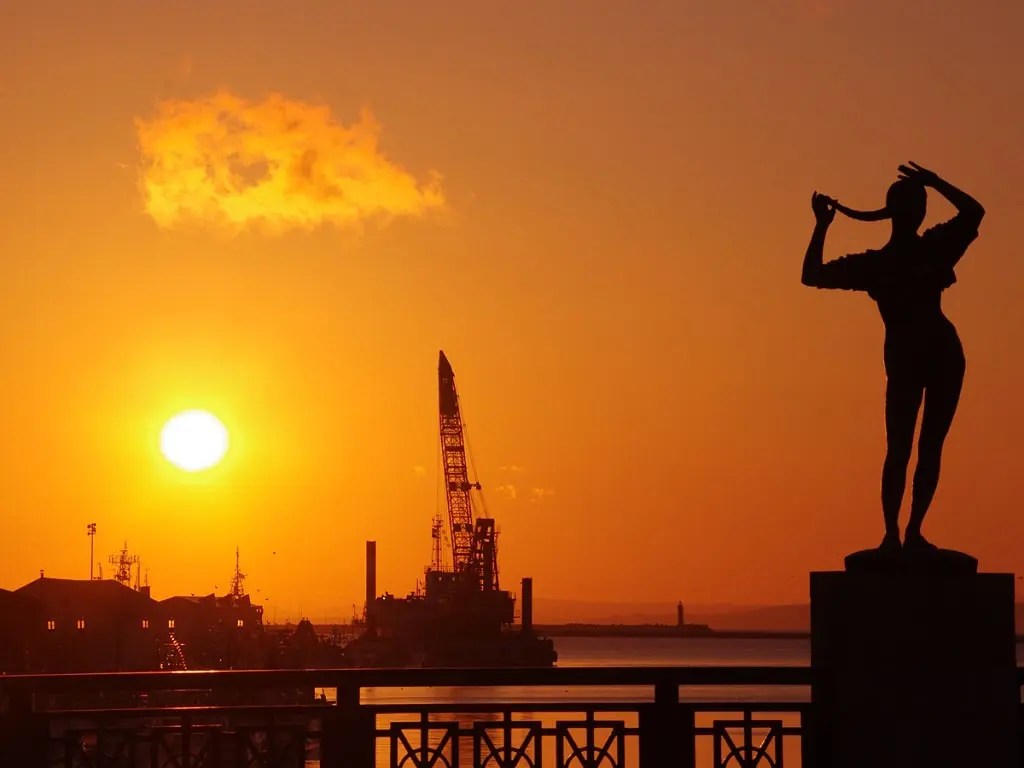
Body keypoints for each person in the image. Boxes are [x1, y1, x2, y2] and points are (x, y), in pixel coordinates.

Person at [801, 162, 985, 553]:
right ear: (901, 211)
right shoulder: (881, 263)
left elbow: (975, 213)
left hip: (942, 356)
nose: (920, 211)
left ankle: (911, 533)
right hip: (905, 360)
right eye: (917, 204)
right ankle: (893, 535)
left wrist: (934, 181)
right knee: (900, 448)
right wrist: (822, 226)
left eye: (921, 204)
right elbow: (813, 275)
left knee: (927, 446)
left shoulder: (930, 248)